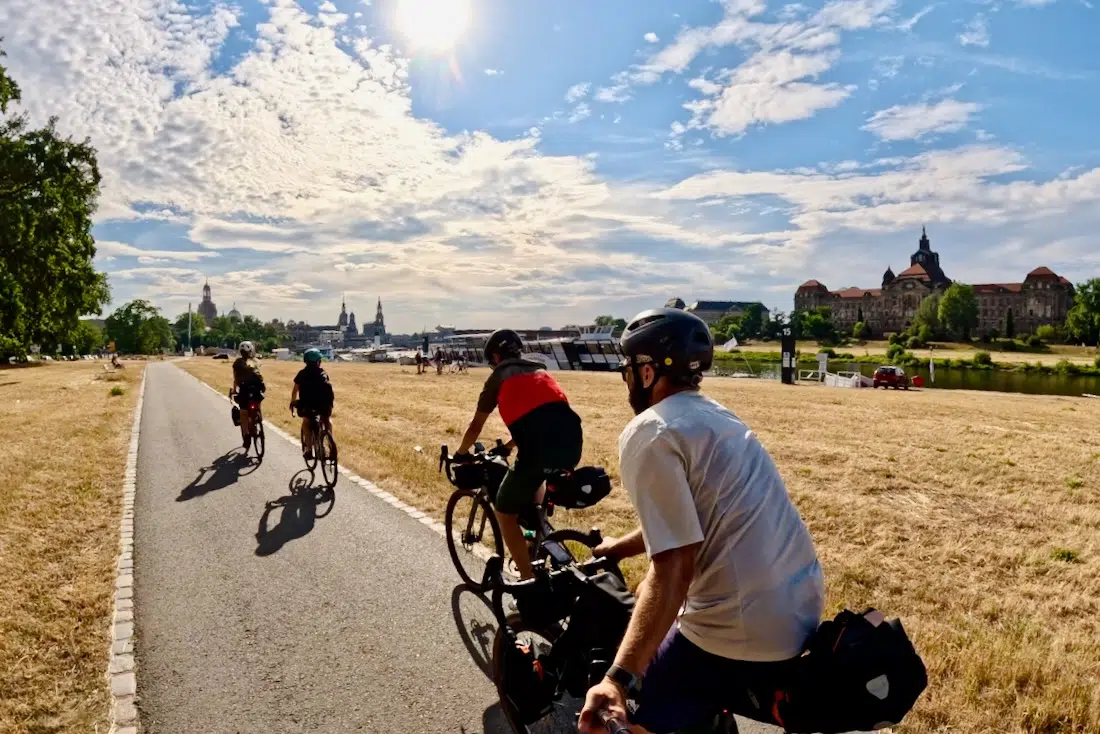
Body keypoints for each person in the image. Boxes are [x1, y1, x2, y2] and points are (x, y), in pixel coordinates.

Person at [578, 308, 824, 734]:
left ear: (648, 371)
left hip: (740, 626)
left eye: (628, 371)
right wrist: (620, 547)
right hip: (801, 608)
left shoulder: (650, 430)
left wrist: (617, 678)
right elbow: (696, 518)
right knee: (651, 606)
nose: (627, 382)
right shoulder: (718, 417)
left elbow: (673, 567)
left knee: (633, 715)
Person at [453, 329, 582, 580]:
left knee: (504, 511)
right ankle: (537, 533)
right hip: (572, 445)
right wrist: (511, 445)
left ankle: (527, 580)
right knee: (536, 486)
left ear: (495, 357)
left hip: (536, 452)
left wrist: (461, 453)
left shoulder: (499, 377)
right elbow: (545, 417)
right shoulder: (540, 371)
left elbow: (476, 425)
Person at [290, 348, 335, 461]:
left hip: (307, 405)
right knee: (327, 420)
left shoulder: (301, 374)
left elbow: (295, 390)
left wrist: (292, 402)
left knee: (306, 422)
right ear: (318, 361)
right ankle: (330, 442)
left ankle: (309, 450)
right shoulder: (323, 373)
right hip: (324, 405)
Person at [231, 341, 265, 450]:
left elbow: (236, 379)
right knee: (257, 405)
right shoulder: (256, 361)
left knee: (243, 413)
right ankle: (258, 418)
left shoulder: (237, 363)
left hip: (244, 390)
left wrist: (234, 391)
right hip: (256, 389)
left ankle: (246, 434)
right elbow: (260, 377)